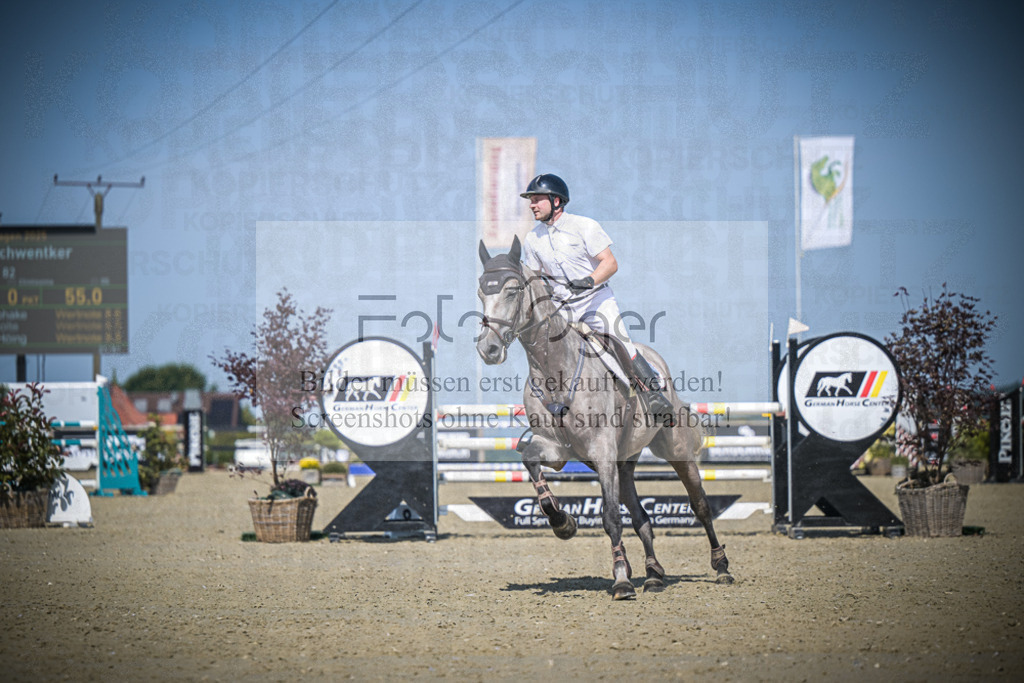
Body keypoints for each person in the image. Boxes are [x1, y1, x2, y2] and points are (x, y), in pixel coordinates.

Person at [519, 173, 674, 421]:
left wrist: (589, 280)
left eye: (537, 199)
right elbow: (538, 280)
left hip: (596, 300)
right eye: (531, 200)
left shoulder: (584, 226)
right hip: (562, 307)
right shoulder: (531, 239)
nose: (532, 205)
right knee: (542, 348)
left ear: (556, 201)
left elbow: (610, 263)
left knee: (621, 341)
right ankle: (548, 409)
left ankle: (653, 395)